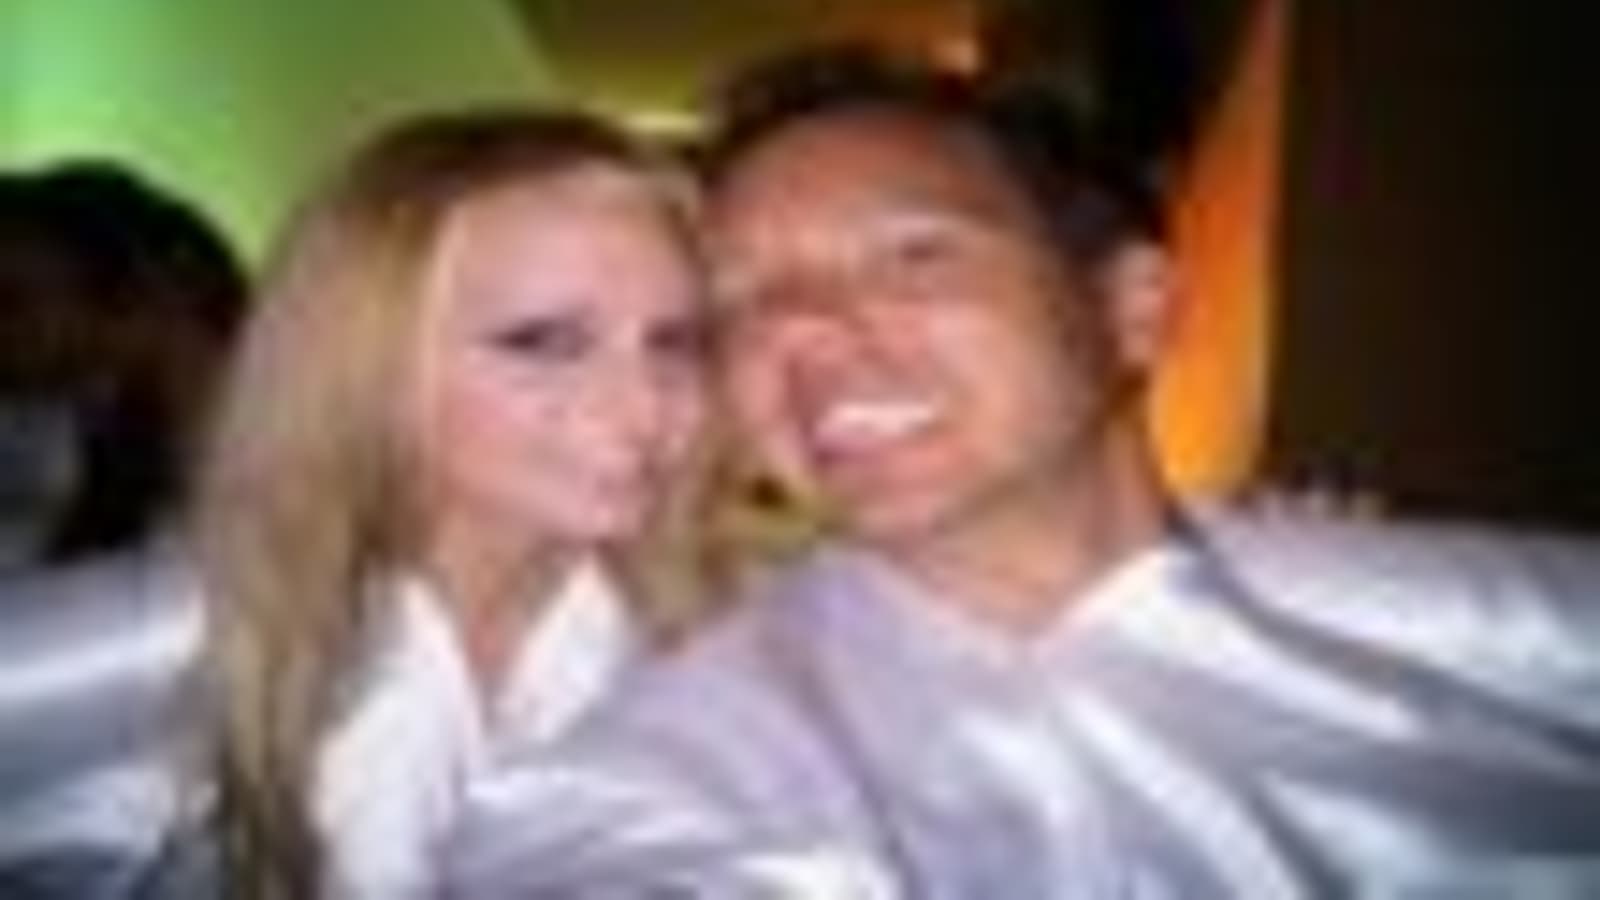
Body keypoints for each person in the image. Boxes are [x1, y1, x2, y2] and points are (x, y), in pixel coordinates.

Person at [449, 49, 1600, 897]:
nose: (801, 331)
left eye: (911, 256)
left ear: (1128, 309)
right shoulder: (667, 772)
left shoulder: (1505, 628)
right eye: (739, 304)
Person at [6, 109, 714, 898]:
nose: (645, 405)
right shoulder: (196, 632)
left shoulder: (674, 636)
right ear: (370, 359)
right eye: (545, 342)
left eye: (675, 341)